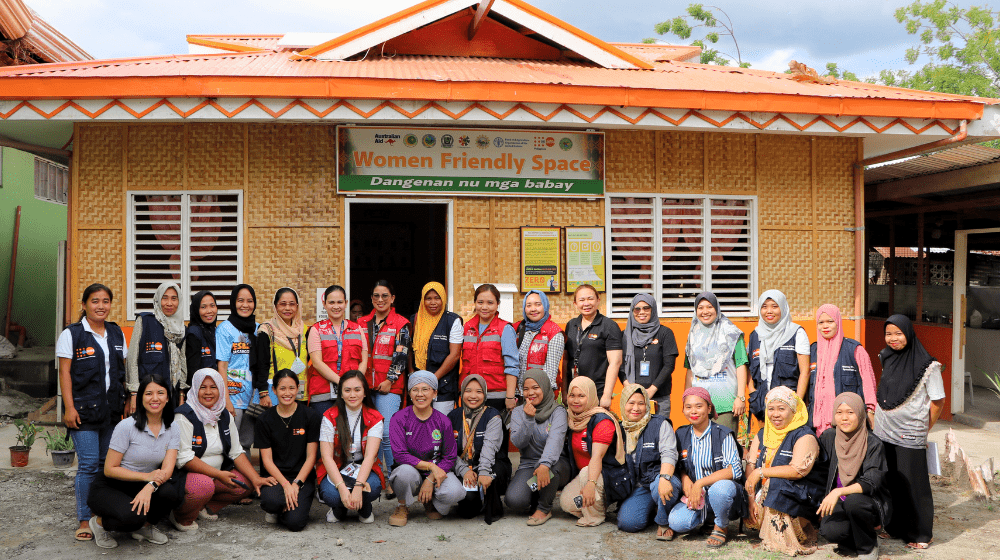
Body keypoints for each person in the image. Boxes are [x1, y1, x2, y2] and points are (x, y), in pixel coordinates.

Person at [57, 283, 128, 542]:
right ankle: (84, 519)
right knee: (88, 465)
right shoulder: (72, 334)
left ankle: (101, 514)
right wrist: (69, 407)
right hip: (83, 413)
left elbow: (121, 371)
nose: (101, 306)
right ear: (85, 304)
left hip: (111, 411)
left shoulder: (116, 333)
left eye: (106, 301)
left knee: (105, 465)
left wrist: (128, 398)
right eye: (95, 301)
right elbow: (64, 372)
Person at [169, 369, 276, 531]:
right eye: (203, 387)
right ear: (195, 388)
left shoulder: (224, 415)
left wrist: (255, 478)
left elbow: (236, 451)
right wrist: (218, 474)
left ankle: (202, 507)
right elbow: (184, 459)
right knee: (204, 486)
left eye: (213, 387)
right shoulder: (184, 416)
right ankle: (181, 516)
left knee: (245, 483)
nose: (208, 392)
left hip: (216, 476)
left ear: (221, 389)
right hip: (187, 477)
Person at [87, 374, 183, 549]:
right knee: (132, 517)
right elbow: (109, 469)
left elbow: (167, 470)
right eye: (148, 393)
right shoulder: (126, 427)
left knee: (171, 493)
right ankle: (99, 523)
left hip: (144, 482)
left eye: (160, 393)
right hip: (111, 485)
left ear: (168, 397)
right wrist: (146, 477)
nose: (155, 398)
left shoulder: (173, 427)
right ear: (140, 398)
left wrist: (150, 486)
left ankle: (144, 528)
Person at [873, 314, 944, 550]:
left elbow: (937, 402)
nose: (893, 339)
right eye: (888, 334)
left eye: (898, 333)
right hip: (884, 431)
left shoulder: (929, 366)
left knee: (914, 484)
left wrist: (924, 429)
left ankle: (922, 533)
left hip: (910, 433)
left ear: (909, 333)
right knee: (891, 480)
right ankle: (894, 527)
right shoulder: (887, 357)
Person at [745, 386, 826, 556]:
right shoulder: (762, 434)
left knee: (776, 482)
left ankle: (782, 537)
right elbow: (750, 465)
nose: (775, 414)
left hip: (800, 497)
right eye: (771, 409)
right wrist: (751, 498)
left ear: (793, 410)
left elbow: (797, 471)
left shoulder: (804, 436)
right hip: (763, 497)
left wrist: (762, 472)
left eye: (782, 409)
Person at [670, 387, 747, 548]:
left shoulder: (723, 434)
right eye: (688, 407)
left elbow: (735, 470)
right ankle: (708, 519)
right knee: (677, 523)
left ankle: (721, 525)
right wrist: (685, 478)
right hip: (697, 498)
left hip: (724, 496)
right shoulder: (681, 434)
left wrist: (699, 483)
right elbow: (679, 465)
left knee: (720, 488)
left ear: (709, 408)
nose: (694, 411)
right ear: (683, 409)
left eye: (699, 406)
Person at [818, 392, 891, 560]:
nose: (844, 418)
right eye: (839, 412)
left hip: (868, 502)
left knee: (854, 502)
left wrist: (837, 492)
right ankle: (857, 538)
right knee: (830, 531)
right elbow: (819, 470)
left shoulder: (873, 443)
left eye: (850, 412)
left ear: (860, 414)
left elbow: (871, 482)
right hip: (840, 502)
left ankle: (868, 547)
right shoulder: (829, 437)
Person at [387, 371, 465, 527]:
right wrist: (430, 466)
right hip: (410, 471)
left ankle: (429, 501)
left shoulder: (443, 421)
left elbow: (449, 457)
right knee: (404, 473)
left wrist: (430, 478)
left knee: (456, 492)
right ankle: (402, 505)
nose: (420, 394)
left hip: (434, 474)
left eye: (425, 389)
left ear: (434, 392)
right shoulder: (399, 418)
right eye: (415, 389)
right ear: (409, 393)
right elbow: (400, 455)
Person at [255, 369, 321, 532]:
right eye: (282, 388)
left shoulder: (310, 416)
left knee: (296, 523)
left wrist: (296, 484)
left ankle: (287, 509)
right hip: (276, 478)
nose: (287, 393)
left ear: (298, 388)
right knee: (271, 501)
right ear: (275, 390)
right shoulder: (264, 419)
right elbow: (267, 460)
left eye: (291, 388)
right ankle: (279, 507)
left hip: (301, 477)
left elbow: (311, 457)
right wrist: (285, 485)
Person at [559, 376, 629, 527]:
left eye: (581, 396)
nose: (575, 401)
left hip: (608, 476)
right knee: (567, 504)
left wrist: (591, 484)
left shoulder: (602, 421)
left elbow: (597, 457)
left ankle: (595, 516)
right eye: (572, 395)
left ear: (590, 396)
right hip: (586, 477)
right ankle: (598, 503)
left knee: (586, 471)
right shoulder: (573, 419)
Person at [317, 370, 385, 524]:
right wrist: (341, 488)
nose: (352, 395)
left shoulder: (375, 417)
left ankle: (364, 508)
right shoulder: (329, 416)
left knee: (373, 487)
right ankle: (339, 509)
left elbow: (369, 457)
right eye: (347, 390)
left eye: (357, 390)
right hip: (338, 466)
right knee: (331, 494)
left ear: (365, 392)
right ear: (340, 393)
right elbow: (326, 457)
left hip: (363, 467)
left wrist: (358, 487)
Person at [359, 279, 411, 479]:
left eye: (385, 296)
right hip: (364, 388)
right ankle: (373, 477)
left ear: (393, 298)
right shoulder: (360, 323)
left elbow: (401, 354)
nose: (380, 300)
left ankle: (393, 478)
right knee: (368, 435)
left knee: (387, 433)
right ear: (371, 298)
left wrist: (390, 379)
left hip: (388, 387)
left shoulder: (401, 324)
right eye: (376, 296)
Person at [616, 383, 682, 537]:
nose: (636, 408)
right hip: (640, 486)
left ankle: (664, 519)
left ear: (647, 405)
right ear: (623, 404)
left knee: (660, 487)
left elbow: (669, 453)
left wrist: (665, 478)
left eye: (641, 403)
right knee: (628, 523)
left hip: (663, 479)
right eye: (631, 403)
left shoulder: (660, 424)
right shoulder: (620, 428)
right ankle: (653, 507)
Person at [507, 368, 570, 526]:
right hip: (529, 464)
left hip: (556, 464)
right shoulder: (518, 412)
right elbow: (518, 443)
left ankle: (544, 508)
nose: (530, 393)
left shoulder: (558, 411)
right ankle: (538, 492)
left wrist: (545, 464)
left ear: (545, 387)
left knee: (550, 468)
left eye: (536, 387)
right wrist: (528, 419)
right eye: (526, 389)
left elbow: (555, 441)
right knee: (514, 500)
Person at [448, 375, 512, 522]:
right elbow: (449, 451)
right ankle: (475, 499)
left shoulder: (493, 415)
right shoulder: (453, 416)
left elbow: (489, 447)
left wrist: (483, 472)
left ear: (485, 394)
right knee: (468, 509)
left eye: (479, 391)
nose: (473, 396)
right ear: (462, 392)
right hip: (464, 467)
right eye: (468, 391)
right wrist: (464, 471)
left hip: (490, 464)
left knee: (493, 474)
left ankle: (493, 507)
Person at [684, 291, 748, 432]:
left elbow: (741, 364)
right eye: (700, 308)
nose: (705, 311)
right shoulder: (693, 335)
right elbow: (690, 369)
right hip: (698, 404)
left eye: (709, 307)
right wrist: (687, 401)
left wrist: (741, 397)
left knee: (725, 447)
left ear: (717, 309)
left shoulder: (732, 333)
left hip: (725, 404)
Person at [808, 304, 877, 435]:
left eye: (830, 321)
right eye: (821, 322)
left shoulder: (855, 350)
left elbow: (868, 383)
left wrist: (871, 411)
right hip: (818, 424)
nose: (825, 326)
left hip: (848, 425)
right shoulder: (813, 351)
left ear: (838, 322)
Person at [747, 290, 810, 420]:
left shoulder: (796, 333)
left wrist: (796, 402)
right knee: (765, 439)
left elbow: (805, 371)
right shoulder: (755, 335)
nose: (769, 311)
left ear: (783, 307)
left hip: (788, 404)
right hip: (762, 404)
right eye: (764, 307)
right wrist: (752, 392)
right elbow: (748, 368)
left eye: (774, 306)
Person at [308, 285, 368, 416]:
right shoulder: (316, 329)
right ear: (324, 304)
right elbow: (317, 362)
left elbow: (364, 360)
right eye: (331, 302)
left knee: (349, 435)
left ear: (346, 303)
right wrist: (342, 382)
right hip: (323, 394)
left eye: (340, 302)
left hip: (352, 395)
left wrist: (353, 384)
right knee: (325, 434)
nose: (336, 306)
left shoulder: (357, 329)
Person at [461, 283, 519, 412]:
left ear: (498, 304)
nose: (485, 307)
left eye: (490, 303)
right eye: (480, 302)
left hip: (496, 397)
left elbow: (512, 365)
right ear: (475, 303)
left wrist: (510, 397)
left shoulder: (505, 329)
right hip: (470, 397)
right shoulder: (467, 327)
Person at [128, 282, 187, 408]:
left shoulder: (182, 330)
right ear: (158, 299)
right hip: (147, 398)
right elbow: (132, 360)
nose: (169, 303)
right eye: (164, 298)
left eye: (174, 298)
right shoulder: (145, 322)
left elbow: (183, 366)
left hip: (172, 399)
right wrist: (134, 393)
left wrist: (181, 396)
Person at [563, 284, 622, 410]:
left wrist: (606, 395)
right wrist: (564, 392)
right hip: (574, 393)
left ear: (598, 300)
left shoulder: (609, 326)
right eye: (582, 300)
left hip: (597, 392)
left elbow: (615, 362)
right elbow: (566, 360)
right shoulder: (571, 325)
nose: (586, 303)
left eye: (590, 299)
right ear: (575, 304)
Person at [215, 284, 259, 452]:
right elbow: (222, 366)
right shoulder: (225, 329)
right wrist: (226, 400)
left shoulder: (258, 329)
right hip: (233, 398)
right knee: (230, 444)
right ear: (233, 303)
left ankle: (245, 479)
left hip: (253, 398)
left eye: (249, 301)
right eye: (240, 300)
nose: (245, 305)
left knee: (246, 444)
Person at [620, 294, 678, 416]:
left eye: (646, 308)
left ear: (653, 310)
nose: (641, 312)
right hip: (632, 399)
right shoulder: (624, 336)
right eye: (637, 309)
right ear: (632, 311)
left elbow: (669, 365)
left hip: (659, 398)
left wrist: (651, 390)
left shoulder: (665, 333)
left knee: (659, 433)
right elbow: (618, 365)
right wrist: (629, 389)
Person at [410, 281, 463, 413]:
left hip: (443, 387)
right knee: (421, 426)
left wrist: (432, 379)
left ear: (443, 299)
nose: (433, 302)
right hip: (418, 385)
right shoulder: (414, 320)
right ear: (423, 300)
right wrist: (412, 374)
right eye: (428, 298)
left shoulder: (452, 321)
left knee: (440, 428)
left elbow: (455, 355)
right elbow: (409, 350)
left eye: (437, 298)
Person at [254, 288, 309, 407]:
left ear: (297, 306)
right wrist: (263, 393)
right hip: (275, 393)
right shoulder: (267, 330)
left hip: (300, 393)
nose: (288, 308)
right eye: (283, 304)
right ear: (275, 306)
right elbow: (261, 364)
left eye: (292, 304)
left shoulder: (304, 330)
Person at [512, 290, 564, 398]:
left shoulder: (554, 332)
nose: (533, 309)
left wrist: (539, 397)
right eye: (528, 305)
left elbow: (550, 373)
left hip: (540, 396)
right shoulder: (517, 329)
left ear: (545, 306)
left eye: (538, 304)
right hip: (517, 395)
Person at [184, 291, 217, 388]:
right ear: (196, 310)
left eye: (212, 305)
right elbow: (192, 372)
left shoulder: (215, 331)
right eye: (203, 307)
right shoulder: (193, 333)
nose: (209, 311)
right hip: (202, 392)